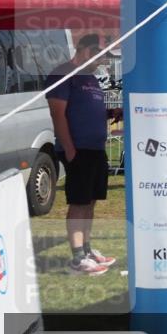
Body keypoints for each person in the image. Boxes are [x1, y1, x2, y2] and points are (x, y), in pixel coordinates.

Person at [45, 33, 117, 275]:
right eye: (98, 54)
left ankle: (86, 249)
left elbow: (88, 109)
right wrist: (70, 150)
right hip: (78, 149)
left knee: (91, 201)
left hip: (96, 148)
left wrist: (111, 113)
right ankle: (77, 257)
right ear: (84, 48)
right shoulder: (63, 73)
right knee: (79, 202)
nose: (101, 60)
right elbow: (58, 113)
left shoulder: (92, 78)